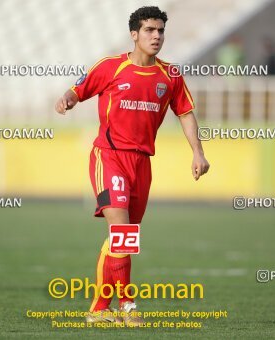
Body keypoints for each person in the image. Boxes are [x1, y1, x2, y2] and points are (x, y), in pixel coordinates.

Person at [55, 7, 210, 326]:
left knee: (122, 238)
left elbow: (185, 113)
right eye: (150, 30)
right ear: (134, 34)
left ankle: (99, 309)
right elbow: (78, 89)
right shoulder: (110, 67)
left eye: (161, 31)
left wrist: (198, 153)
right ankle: (128, 306)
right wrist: (67, 99)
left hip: (142, 162)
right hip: (108, 156)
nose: (157, 36)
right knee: (121, 230)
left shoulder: (171, 75)